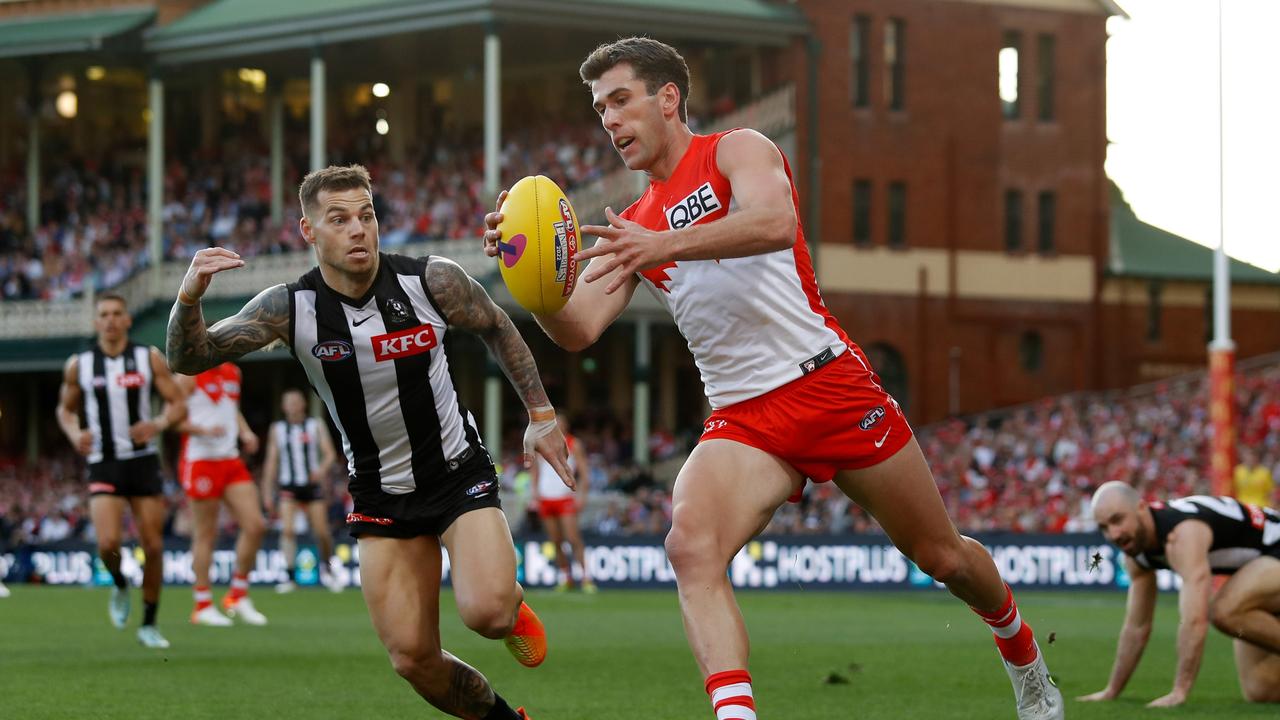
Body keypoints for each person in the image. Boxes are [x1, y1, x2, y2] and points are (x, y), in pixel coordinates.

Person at [482, 37, 1063, 720]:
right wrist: (535, 280)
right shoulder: (632, 224)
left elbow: (774, 220)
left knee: (945, 557)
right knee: (689, 545)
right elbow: (578, 328)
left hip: (829, 386)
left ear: (668, 98)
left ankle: (1023, 656)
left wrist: (662, 244)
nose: (608, 120)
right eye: (599, 109)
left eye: (620, 100)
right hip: (745, 421)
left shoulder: (737, 150)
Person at [166, 164, 571, 720]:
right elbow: (188, 358)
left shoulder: (433, 280)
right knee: (412, 658)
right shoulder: (290, 308)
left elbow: (497, 325)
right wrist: (189, 297)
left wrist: (541, 414)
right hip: (381, 496)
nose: (358, 229)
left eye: (366, 215)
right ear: (309, 232)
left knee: (489, 615)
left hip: (457, 475)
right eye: (339, 219)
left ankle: (512, 606)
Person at [55, 292, 186, 649]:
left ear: (128, 320)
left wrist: (156, 424)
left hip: (143, 462)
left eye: (117, 313)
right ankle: (119, 582)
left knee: (154, 547)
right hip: (104, 462)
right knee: (108, 543)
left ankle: (149, 622)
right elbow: (65, 410)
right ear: (96, 322)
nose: (111, 320)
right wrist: (72, 432)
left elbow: (177, 403)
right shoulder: (79, 365)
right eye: (104, 315)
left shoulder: (148, 358)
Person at [1081, 482, 1280, 706]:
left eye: (1117, 520)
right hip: (1264, 568)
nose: (1113, 534)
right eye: (1104, 528)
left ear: (1141, 508)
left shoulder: (1183, 532)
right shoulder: (1135, 551)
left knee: (1225, 611)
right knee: (1262, 690)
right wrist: (1111, 690)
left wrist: (1180, 691)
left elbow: (1195, 620)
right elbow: (1137, 627)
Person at [176, 361, 269, 626]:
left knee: (256, 525)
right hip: (200, 459)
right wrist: (202, 430)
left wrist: (245, 431)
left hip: (229, 458)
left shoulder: (233, 371)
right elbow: (173, 418)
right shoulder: (188, 374)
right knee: (206, 533)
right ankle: (202, 603)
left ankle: (238, 594)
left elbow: (230, 408)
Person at [262, 388, 342, 593]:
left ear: (303, 404)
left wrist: (321, 471)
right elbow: (272, 461)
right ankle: (289, 577)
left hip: (312, 485)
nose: (293, 406)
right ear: (283, 407)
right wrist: (266, 492)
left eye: (296, 401)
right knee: (287, 530)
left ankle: (328, 569)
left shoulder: (315, 425)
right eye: (288, 402)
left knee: (322, 532)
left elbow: (330, 454)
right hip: (288, 486)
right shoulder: (277, 429)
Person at [530, 413, 594, 593]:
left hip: (565, 496)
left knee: (573, 539)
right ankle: (566, 577)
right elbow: (535, 471)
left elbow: (584, 472)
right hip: (546, 497)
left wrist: (581, 495)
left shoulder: (574, 444)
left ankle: (585, 577)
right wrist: (534, 494)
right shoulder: (540, 443)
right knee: (555, 541)